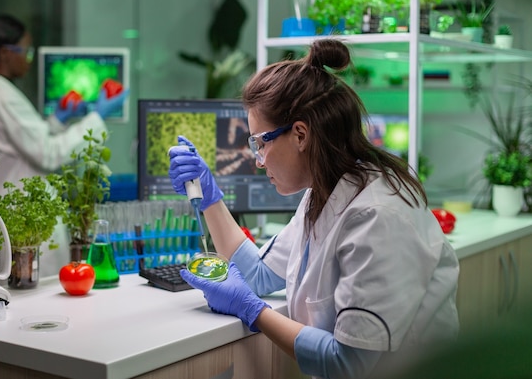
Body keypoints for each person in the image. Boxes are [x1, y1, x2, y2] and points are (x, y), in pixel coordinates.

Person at [168, 39, 459, 379]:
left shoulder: (377, 216)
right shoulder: (324, 193)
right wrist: (210, 197)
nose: (259, 162)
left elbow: (347, 362)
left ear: (301, 134)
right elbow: (258, 274)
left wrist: (253, 311)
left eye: (260, 143)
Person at [0, 12, 128, 199]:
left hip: (12, 211)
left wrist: (57, 120)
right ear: (5, 54)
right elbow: (49, 154)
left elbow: (28, 142)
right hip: (15, 215)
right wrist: (97, 118)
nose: (29, 58)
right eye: (26, 51)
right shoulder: (3, 97)